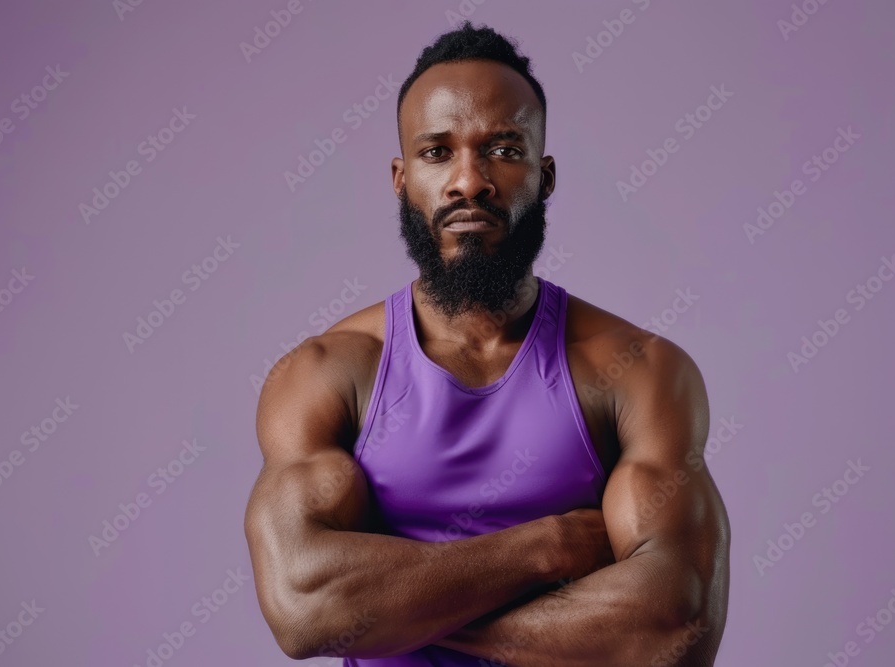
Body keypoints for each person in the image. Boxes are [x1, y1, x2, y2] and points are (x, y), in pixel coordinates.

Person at [244, 21, 730, 666]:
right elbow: (305, 611)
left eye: (502, 149)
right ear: (400, 177)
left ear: (545, 174)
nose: (469, 182)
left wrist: (385, 609)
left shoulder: (638, 371)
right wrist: (547, 548)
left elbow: (672, 632)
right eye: (437, 152)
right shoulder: (326, 374)